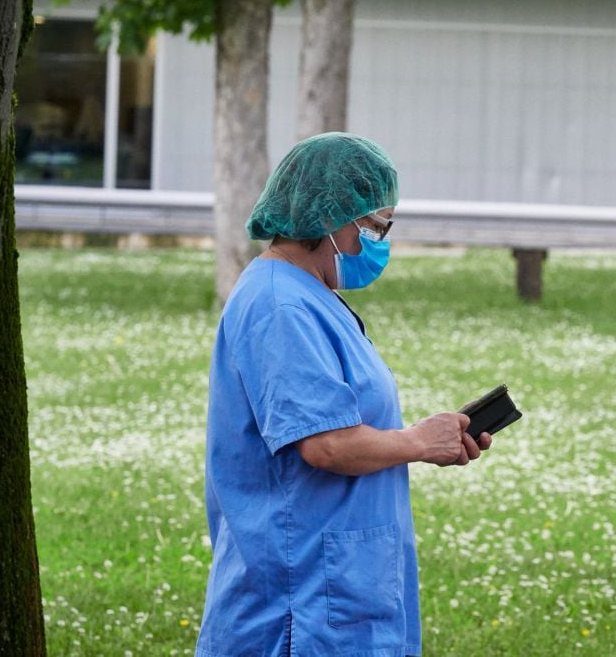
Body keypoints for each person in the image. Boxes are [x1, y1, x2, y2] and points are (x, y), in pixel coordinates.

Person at [195, 132, 491, 657]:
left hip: (340, 587)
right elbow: (325, 445)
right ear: (328, 216)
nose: (380, 242)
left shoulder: (309, 294)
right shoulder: (278, 306)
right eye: (375, 226)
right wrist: (419, 442)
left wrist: (431, 439)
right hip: (300, 602)